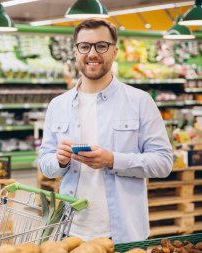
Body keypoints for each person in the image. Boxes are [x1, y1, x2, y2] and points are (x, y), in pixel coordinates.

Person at [38, 19, 173, 243]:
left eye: (101, 46)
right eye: (85, 46)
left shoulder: (139, 101)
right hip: (70, 233)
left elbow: (163, 162)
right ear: (75, 51)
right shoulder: (57, 105)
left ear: (114, 51)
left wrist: (112, 160)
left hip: (124, 235)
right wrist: (59, 161)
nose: (92, 53)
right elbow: (44, 162)